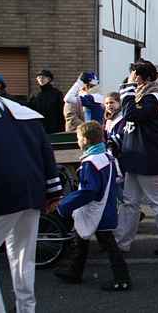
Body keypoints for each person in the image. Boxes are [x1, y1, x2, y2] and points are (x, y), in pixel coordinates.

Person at [0, 69, 63, 313]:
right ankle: (26, 309)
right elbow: (45, 151)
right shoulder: (20, 110)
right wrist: (53, 191)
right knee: (23, 257)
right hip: (33, 189)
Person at [114, 60, 158, 256]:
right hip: (136, 159)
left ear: (143, 78)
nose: (132, 81)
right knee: (129, 203)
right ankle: (121, 242)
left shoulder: (155, 98)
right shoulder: (145, 96)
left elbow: (130, 114)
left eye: (134, 77)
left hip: (149, 158)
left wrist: (128, 89)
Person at [52, 121, 131, 291]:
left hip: (96, 209)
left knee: (108, 245)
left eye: (79, 138)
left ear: (86, 140)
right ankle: (75, 272)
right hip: (106, 206)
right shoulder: (106, 156)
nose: (78, 141)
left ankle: (122, 279)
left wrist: (64, 205)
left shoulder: (91, 162)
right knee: (82, 239)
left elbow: (89, 191)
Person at [28, 69, 65, 134]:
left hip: (54, 128)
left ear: (49, 79)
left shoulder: (56, 93)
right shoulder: (35, 94)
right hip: (39, 128)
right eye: (39, 77)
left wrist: (61, 128)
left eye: (43, 77)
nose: (41, 79)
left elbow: (61, 111)